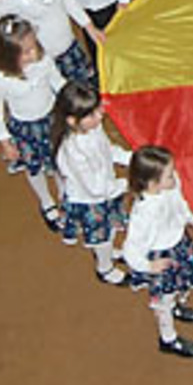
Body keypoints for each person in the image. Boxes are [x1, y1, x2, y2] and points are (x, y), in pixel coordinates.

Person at [122, 144, 193, 357]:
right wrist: (147, 266)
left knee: (179, 285)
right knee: (163, 302)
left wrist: (190, 218)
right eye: (169, 175)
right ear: (153, 183)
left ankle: (175, 305)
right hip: (161, 257)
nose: (175, 176)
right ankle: (168, 338)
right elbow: (131, 248)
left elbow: (179, 203)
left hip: (177, 244)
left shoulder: (170, 185)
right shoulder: (144, 213)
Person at [0, 13, 67, 233]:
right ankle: (46, 200)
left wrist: (72, 99)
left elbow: (58, 83)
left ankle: (64, 194)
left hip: (50, 120)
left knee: (59, 160)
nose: (33, 53)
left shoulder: (44, 61)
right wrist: (5, 143)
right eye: (26, 51)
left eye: (34, 47)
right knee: (34, 168)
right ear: (8, 56)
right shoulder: (2, 81)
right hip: (25, 130)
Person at [52, 80, 133, 280]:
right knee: (102, 235)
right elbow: (95, 188)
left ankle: (108, 252)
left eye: (98, 109)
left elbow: (107, 150)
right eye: (92, 114)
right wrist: (128, 183)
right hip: (91, 201)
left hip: (106, 190)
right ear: (72, 120)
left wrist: (130, 158)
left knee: (109, 231)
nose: (100, 115)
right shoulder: (74, 150)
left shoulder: (93, 128)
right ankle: (105, 268)